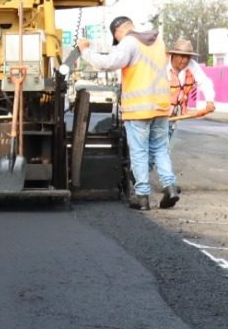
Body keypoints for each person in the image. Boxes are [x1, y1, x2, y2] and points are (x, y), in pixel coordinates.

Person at [77, 15, 179, 211]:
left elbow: (109, 63)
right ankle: (170, 186)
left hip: (139, 109)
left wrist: (85, 51)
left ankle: (142, 198)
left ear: (118, 32)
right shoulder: (157, 41)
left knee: (139, 152)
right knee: (160, 149)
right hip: (161, 105)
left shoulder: (129, 42)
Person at [167, 37, 216, 142]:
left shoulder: (192, 66)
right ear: (174, 55)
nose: (185, 60)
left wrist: (210, 101)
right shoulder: (162, 66)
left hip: (174, 118)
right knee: (159, 151)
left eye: (188, 57)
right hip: (158, 117)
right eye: (182, 56)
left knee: (166, 150)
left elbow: (205, 82)